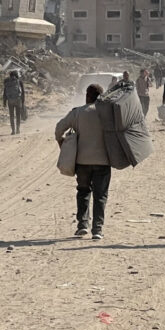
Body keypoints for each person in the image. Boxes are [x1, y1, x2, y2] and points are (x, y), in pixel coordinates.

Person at [55, 84, 110, 240]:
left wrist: (62, 143)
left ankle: (82, 225)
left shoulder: (77, 112)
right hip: (103, 161)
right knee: (100, 195)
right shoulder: (107, 114)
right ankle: (97, 229)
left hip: (82, 162)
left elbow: (59, 129)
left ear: (87, 95)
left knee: (83, 192)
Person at [3, 70, 27, 135]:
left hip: (10, 101)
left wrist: (4, 102)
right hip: (18, 100)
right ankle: (18, 129)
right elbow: (23, 92)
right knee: (18, 115)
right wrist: (23, 101)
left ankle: (13, 130)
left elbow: (5, 92)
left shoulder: (6, 81)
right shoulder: (19, 81)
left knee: (11, 115)